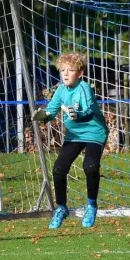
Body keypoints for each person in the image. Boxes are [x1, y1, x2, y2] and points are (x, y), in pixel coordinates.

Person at [32, 52, 108, 229]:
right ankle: (61, 208)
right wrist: (44, 116)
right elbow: (52, 110)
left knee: (90, 166)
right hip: (74, 135)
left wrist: (77, 115)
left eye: (71, 70)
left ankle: (91, 206)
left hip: (94, 132)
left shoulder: (84, 88)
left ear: (80, 73)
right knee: (59, 169)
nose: (65, 74)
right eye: (63, 70)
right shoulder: (60, 90)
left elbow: (88, 111)